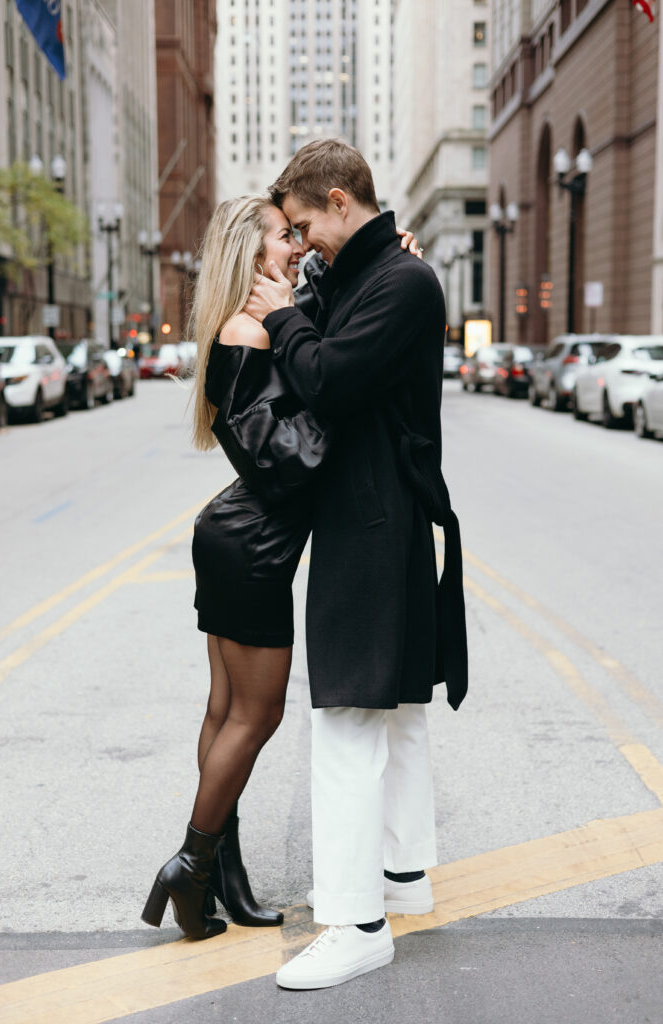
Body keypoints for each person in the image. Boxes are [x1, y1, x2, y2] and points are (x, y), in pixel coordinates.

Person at [140, 194, 421, 940]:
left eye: (298, 234)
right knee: (255, 716)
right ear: (248, 253)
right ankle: (190, 866)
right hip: (252, 548)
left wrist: (386, 256)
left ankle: (220, 874)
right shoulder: (243, 329)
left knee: (223, 712)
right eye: (282, 237)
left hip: (239, 540)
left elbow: (330, 319)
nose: (295, 246)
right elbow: (281, 458)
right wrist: (344, 397)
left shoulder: (263, 321)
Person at [244, 138, 468, 990]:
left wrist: (281, 317)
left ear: (340, 200)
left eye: (305, 226)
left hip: (372, 519)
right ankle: (402, 878)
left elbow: (328, 379)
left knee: (344, 719)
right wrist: (305, 294)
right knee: (398, 707)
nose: (300, 246)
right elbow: (330, 335)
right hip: (382, 514)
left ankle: (355, 919)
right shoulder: (375, 272)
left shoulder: (401, 282)